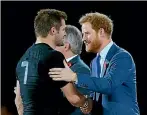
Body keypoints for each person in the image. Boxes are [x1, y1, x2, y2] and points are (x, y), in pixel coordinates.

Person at [49, 12, 140, 115]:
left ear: (101, 32)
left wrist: (74, 77)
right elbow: (98, 93)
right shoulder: (95, 62)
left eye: (87, 33)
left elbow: (108, 85)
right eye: (83, 34)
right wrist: (88, 103)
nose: (83, 39)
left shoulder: (122, 57)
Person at [15, 9, 92, 115]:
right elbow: (74, 98)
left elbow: (19, 102)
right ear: (53, 31)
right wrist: (86, 102)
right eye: (63, 29)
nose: (65, 33)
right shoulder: (53, 56)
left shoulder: (23, 59)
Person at [55, 25, 92, 115]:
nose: (52, 47)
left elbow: (82, 108)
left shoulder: (82, 69)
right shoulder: (57, 65)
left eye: (55, 43)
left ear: (66, 46)